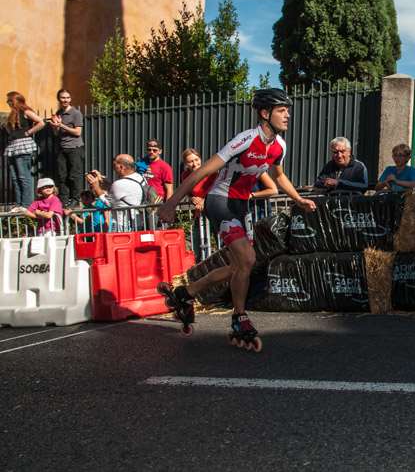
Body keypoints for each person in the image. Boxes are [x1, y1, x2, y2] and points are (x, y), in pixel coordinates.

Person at [157, 88, 317, 351]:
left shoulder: (280, 146)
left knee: (238, 267)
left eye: (288, 110)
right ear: (265, 113)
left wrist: (298, 199)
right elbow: (201, 172)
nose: (288, 115)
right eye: (282, 110)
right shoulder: (244, 140)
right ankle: (239, 318)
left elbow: (279, 177)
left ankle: (186, 293)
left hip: (240, 206)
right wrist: (171, 203)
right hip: (220, 201)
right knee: (248, 259)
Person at [4, 92, 44, 211]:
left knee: (23, 176)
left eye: (10, 100)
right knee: (15, 177)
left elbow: (41, 122)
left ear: (16, 100)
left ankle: (27, 205)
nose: (8, 103)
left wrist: (28, 133)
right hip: (13, 146)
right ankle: (19, 204)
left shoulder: (26, 111)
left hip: (23, 146)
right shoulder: (12, 114)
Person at [85, 154, 146, 232]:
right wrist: (101, 180)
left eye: (114, 165)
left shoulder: (120, 184)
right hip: (138, 223)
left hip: (123, 226)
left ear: (121, 167)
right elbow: (117, 191)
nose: (113, 168)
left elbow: (108, 203)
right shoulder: (140, 178)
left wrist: (96, 187)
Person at [48, 89, 85, 207]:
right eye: (63, 98)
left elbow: (78, 132)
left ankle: (75, 199)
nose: (65, 100)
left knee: (74, 175)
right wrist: (54, 127)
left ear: (70, 99)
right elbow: (56, 134)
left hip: (75, 148)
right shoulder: (58, 113)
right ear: (59, 99)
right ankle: (64, 201)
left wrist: (61, 125)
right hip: (62, 148)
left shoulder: (76, 113)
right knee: (62, 176)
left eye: (68, 97)